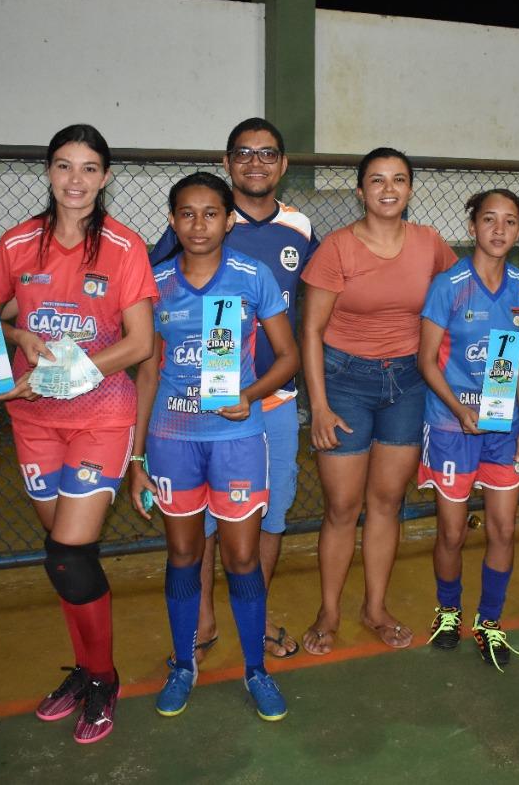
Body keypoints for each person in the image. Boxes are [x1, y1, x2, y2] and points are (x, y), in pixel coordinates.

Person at [0, 124, 157, 744]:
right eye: (64, 166)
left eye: (89, 168)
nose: (76, 180)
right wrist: (19, 339)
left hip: (101, 416)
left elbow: (139, 344)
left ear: (105, 177)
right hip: (35, 420)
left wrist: (71, 371)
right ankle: (86, 670)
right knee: (67, 563)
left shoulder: (123, 247)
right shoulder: (15, 243)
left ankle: (103, 678)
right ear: (49, 172)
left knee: (67, 552)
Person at [147, 118, 319, 662]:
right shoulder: (197, 223)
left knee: (267, 516)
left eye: (268, 154)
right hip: (191, 413)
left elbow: (310, 309)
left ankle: (257, 613)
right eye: (244, 153)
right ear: (227, 162)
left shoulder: (299, 227)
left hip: (272, 400)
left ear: (283, 165)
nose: (256, 163)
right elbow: (153, 313)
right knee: (202, 521)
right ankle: (201, 617)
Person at [130, 172, 299, 721]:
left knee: (242, 556)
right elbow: (147, 374)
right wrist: (136, 459)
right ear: (173, 220)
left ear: (229, 219)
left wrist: (249, 395)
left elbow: (289, 357)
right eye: (186, 213)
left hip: (237, 441)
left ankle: (256, 670)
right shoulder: (155, 283)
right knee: (182, 554)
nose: (198, 224)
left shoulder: (255, 277)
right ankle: (185, 664)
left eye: (210, 213)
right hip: (173, 441)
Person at [300, 147, 458, 655]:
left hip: (408, 384)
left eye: (398, 180)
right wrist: (319, 407)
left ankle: (375, 607)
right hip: (345, 381)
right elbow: (311, 330)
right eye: (377, 180)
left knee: (387, 503)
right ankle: (329, 610)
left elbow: (462, 295)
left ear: (410, 188)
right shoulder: (338, 247)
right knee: (343, 507)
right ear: (361, 189)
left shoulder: (430, 243)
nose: (388, 189)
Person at [417, 189, 519, 670]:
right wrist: (458, 409)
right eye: (490, 219)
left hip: (504, 428)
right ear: (473, 227)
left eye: (510, 221)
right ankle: (448, 612)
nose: (500, 229)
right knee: (451, 532)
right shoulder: (449, 284)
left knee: (504, 528)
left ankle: (490, 621)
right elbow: (426, 361)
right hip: (451, 424)